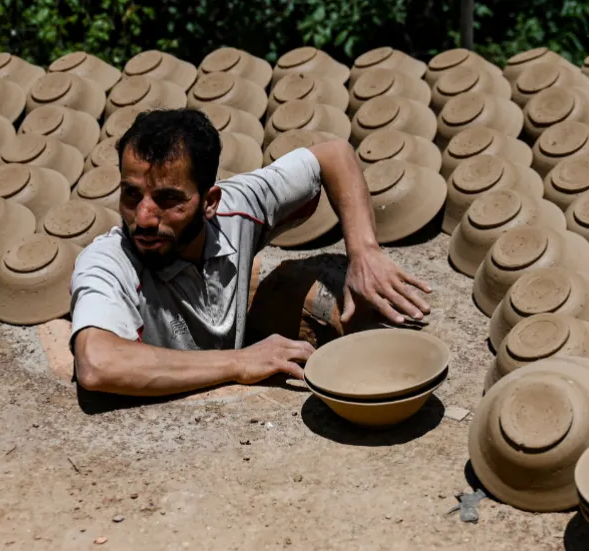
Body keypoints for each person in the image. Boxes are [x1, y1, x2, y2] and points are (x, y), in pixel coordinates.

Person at [70, 108, 432, 397]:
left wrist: (364, 252)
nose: (144, 218)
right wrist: (239, 362)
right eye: (131, 195)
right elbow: (98, 364)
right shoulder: (108, 261)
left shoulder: (238, 208)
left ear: (210, 202)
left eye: (168, 199)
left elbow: (334, 154)